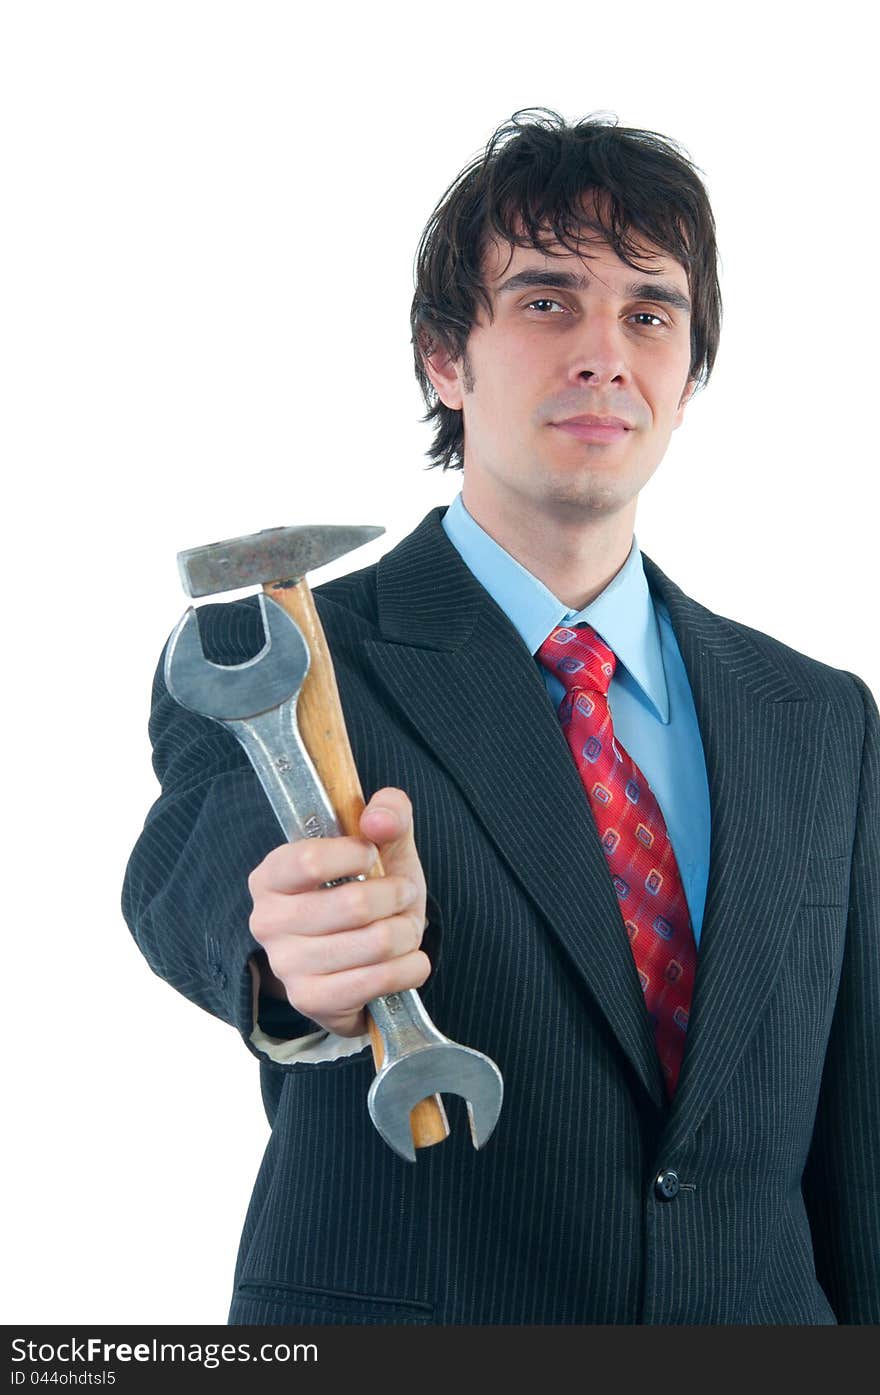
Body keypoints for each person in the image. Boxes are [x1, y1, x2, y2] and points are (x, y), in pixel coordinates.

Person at [122, 108, 879, 1325]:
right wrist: (285, 961)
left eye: (649, 312)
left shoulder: (820, 716)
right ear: (442, 359)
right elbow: (199, 875)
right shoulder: (277, 660)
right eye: (543, 302)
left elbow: (856, 1141)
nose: (603, 353)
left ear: (688, 378)